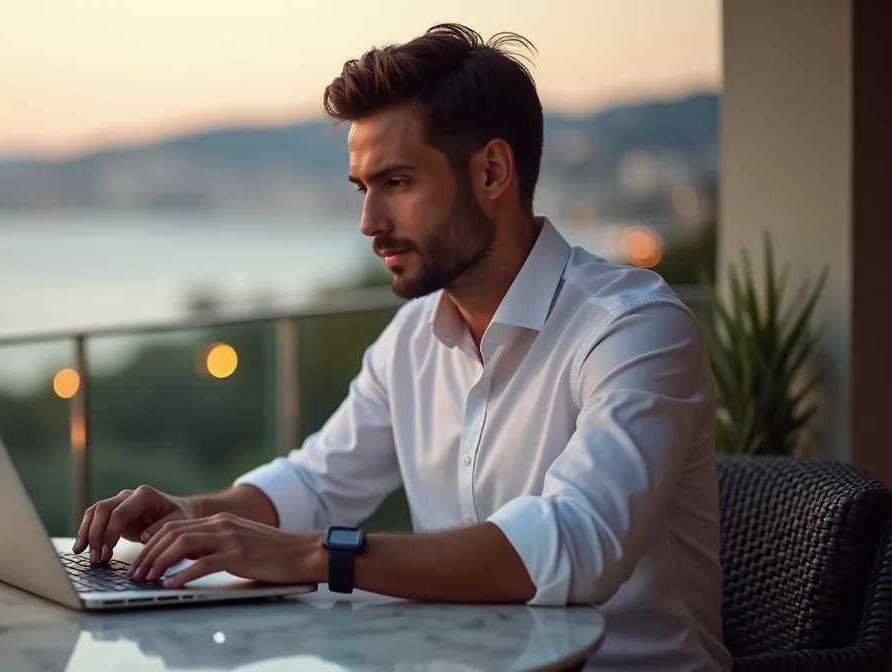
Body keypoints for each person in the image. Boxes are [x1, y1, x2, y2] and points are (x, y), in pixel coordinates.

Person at [73, 23, 729, 671]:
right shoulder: (414, 339)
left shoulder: (634, 329)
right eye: (364, 189)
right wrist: (195, 513)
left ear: (493, 171)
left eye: (398, 183)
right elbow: (317, 481)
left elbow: (577, 547)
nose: (370, 225)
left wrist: (315, 556)